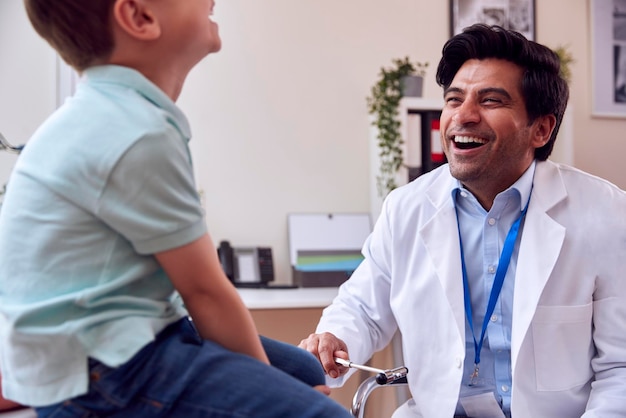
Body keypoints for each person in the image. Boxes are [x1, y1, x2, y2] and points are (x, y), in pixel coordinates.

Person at [0, 1, 353, 417]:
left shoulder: (106, 114)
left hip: (103, 348)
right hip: (106, 373)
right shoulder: (137, 131)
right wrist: (274, 392)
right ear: (139, 17)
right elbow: (206, 293)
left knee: (301, 368)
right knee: (324, 412)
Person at [300, 23, 626, 418]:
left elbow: (620, 369)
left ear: (541, 128)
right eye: (454, 99)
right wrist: (336, 337)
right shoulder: (406, 209)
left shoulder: (605, 213)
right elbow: (363, 309)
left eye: (490, 101)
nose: (463, 116)